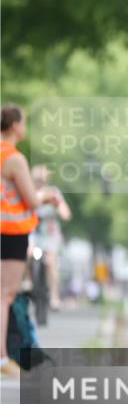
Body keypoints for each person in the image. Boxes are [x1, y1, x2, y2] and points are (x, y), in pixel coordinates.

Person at [1, 104, 55, 377]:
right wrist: (47, 194)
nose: (25, 127)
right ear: (13, 126)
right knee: (5, 295)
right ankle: (2, 359)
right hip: (10, 232)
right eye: (23, 122)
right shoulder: (14, 158)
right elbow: (31, 200)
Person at [30, 166, 72, 310]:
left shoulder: (53, 193)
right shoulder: (29, 192)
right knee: (27, 253)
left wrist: (57, 205)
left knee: (51, 261)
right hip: (33, 233)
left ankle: (54, 296)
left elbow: (66, 214)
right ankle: (27, 284)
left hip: (50, 234)